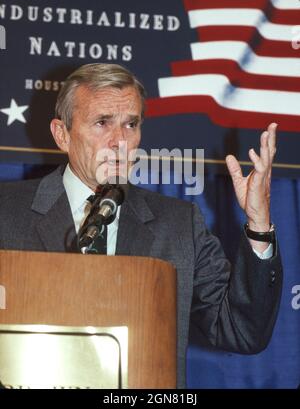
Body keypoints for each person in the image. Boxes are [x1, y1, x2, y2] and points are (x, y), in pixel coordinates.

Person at [0, 63, 282, 388]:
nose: (119, 141)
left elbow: (243, 331)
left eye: (130, 124)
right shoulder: (8, 211)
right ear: (61, 134)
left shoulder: (178, 225)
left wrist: (259, 224)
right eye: (102, 123)